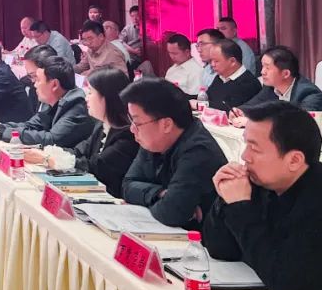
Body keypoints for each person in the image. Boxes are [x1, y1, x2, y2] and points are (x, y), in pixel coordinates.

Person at [202, 101, 322, 290]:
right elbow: (220, 249)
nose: (244, 156)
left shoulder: (315, 199)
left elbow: (284, 279)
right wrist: (225, 199)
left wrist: (240, 207)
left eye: (255, 149)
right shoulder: (260, 182)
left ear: (294, 160)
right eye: (246, 144)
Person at [121, 79, 227, 229]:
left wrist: (150, 197)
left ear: (166, 124)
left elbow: (171, 212)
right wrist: (159, 193)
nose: (132, 129)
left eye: (137, 123)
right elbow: (127, 186)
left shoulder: (199, 152)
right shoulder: (155, 140)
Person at [23, 68, 139, 198]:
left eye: (90, 92)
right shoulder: (101, 126)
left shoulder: (127, 135)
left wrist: (47, 159)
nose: (86, 99)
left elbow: (95, 167)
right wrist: (45, 154)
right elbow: (78, 151)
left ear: (107, 98)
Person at [0, 56, 95, 147]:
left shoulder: (77, 104)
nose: (35, 85)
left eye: (38, 80)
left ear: (54, 84)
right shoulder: (52, 100)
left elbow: (52, 140)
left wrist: (3, 133)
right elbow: (31, 125)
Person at [237, 46, 322, 113]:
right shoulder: (270, 87)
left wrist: (253, 121)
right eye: (263, 66)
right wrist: (239, 111)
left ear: (286, 74)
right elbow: (252, 105)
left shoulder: (309, 94)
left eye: (267, 68)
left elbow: (300, 122)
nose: (262, 72)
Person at [206, 38, 262, 114]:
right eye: (211, 61)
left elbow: (231, 109)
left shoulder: (248, 82)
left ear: (232, 61)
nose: (212, 65)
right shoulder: (220, 77)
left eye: (216, 61)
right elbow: (207, 97)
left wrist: (201, 104)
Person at [19, 44, 57, 114]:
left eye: (35, 76)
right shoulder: (33, 90)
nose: (34, 83)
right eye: (30, 76)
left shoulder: (67, 101)